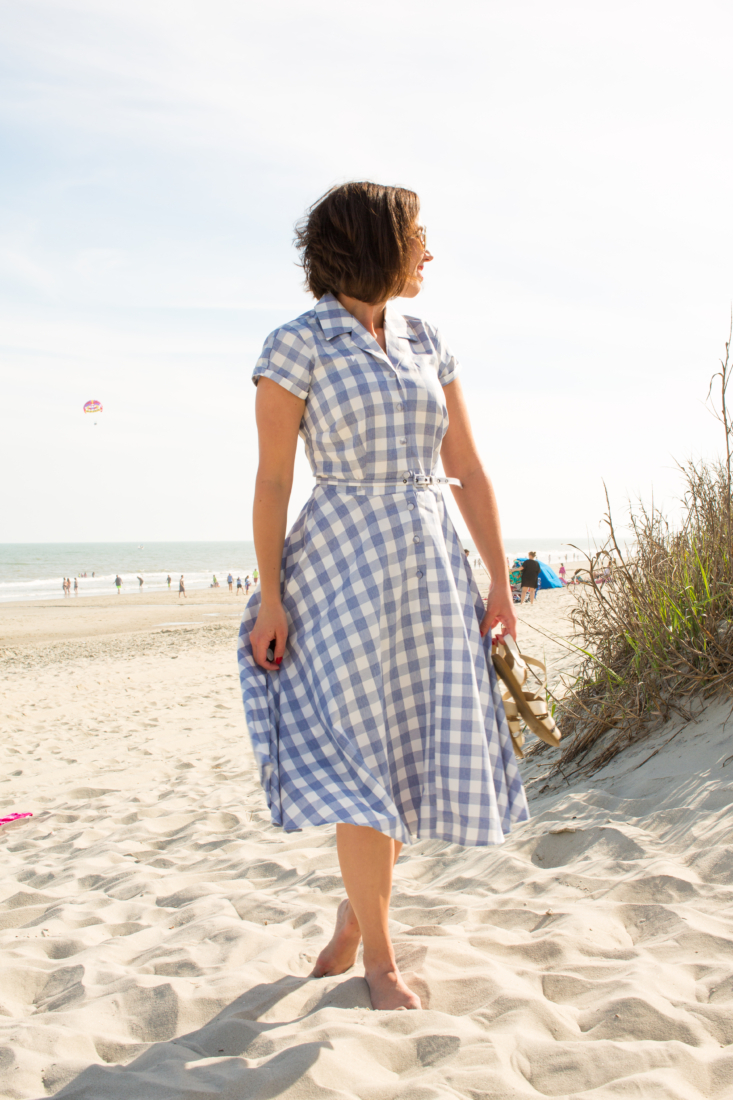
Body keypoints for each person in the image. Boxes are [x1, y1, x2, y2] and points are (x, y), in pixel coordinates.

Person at [239, 181, 526, 1012]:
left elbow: (467, 469)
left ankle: (356, 913)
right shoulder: (298, 345)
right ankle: (380, 961)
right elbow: (270, 482)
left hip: (430, 565)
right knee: (363, 755)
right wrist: (269, 599)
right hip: (340, 566)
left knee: (405, 752)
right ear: (375, 242)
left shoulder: (426, 336)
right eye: (416, 236)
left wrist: (498, 579)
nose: (428, 250)